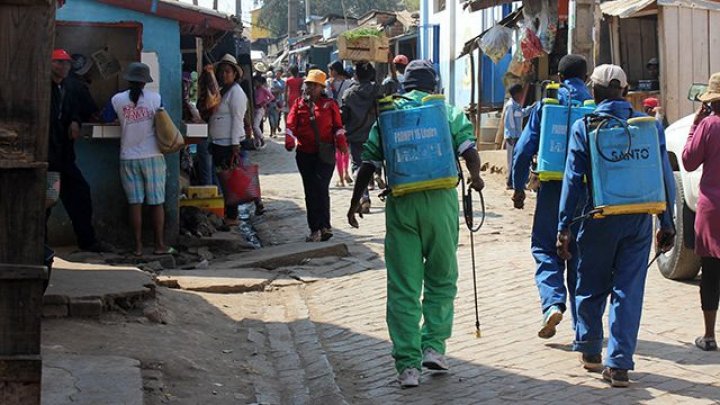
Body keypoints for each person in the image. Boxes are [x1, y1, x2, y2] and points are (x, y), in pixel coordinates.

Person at [347, 59, 484, 388]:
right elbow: (469, 150)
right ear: (434, 84)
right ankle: (434, 346)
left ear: (405, 84)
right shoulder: (445, 111)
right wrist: (476, 177)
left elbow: (368, 163)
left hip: (402, 205)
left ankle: (408, 366)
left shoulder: (389, 115)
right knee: (441, 278)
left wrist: (355, 201)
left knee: (404, 287)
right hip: (440, 202)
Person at [556, 64, 676, 387]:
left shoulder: (586, 125)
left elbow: (571, 179)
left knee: (590, 284)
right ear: (624, 92)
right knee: (628, 289)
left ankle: (592, 349)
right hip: (638, 219)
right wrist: (667, 221)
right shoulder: (648, 125)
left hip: (598, 217)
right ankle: (619, 364)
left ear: (593, 92)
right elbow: (664, 176)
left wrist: (563, 225)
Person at [511, 54, 593, 339]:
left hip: (551, 190)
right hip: (585, 192)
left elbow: (523, 150)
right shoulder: (594, 106)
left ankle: (553, 303)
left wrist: (518, 186)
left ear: (559, 77)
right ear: (586, 78)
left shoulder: (547, 104)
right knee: (581, 258)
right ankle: (584, 330)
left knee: (545, 249)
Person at [47, 49, 110, 253]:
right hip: (46, 158)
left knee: (80, 195)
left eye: (66, 63)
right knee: (45, 202)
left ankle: (87, 241)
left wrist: (75, 120)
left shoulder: (72, 87)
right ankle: (39, 245)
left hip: (64, 157)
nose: (63, 66)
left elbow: (87, 110)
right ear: (49, 64)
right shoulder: (40, 86)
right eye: (58, 62)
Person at [108, 62, 173, 256]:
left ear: (128, 80)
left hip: (128, 157)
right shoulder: (156, 98)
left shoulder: (117, 99)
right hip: (152, 155)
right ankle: (159, 245)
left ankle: (137, 247)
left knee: (134, 203)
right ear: (145, 82)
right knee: (156, 203)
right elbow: (164, 123)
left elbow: (106, 117)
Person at [285, 70, 348, 242]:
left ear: (322, 87)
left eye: (314, 85)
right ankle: (315, 229)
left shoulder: (330, 104)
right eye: (308, 84)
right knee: (310, 191)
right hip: (305, 154)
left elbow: (338, 126)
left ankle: (325, 226)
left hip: (325, 154)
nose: (310, 88)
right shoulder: (298, 104)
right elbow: (290, 125)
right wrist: (289, 139)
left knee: (321, 188)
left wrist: (341, 142)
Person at [682, 72, 720, 351]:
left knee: (710, 273)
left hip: (712, 210)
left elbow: (688, 160)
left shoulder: (708, 125)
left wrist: (695, 125)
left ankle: (709, 336)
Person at [208, 54, 248, 226]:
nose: (224, 75)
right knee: (224, 180)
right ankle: (228, 214)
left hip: (228, 144)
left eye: (228, 72)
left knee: (230, 181)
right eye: (222, 72)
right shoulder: (224, 90)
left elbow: (238, 119)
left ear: (234, 74)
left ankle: (232, 216)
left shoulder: (236, 93)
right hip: (218, 142)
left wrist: (235, 144)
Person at [341, 62, 381, 214]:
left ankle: (364, 197)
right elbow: (393, 86)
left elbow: (344, 117)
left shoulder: (349, 94)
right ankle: (377, 173)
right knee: (375, 161)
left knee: (358, 165)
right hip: (376, 135)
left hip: (356, 136)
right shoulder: (377, 90)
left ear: (356, 75)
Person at [503, 83, 532, 190]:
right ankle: (510, 183)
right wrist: (511, 136)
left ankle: (515, 182)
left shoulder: (517, 106)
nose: (521, 96)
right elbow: (509, 122)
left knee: (517, 160)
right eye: (520, 94)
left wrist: (531, 108)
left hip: (517, 136)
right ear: (516, 94)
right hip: (513, 137)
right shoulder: (510, 106)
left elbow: (522, 113)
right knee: (512, 161)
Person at [253, 75, 274, 148]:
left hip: (260, 109)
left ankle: (262, 139)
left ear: (259, 82)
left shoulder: (263, 89)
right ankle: (257, 142)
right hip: (254, 108)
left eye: (256, 82)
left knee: (255, 126)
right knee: (255, 126)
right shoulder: (255, 89)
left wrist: (264, 103)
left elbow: (271, 97)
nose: (255, 83)